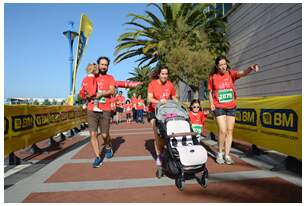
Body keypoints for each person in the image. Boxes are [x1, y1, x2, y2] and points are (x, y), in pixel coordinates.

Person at [208, 55, 259, 165]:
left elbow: (242, 73)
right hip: (219, 106)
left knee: (230, 131)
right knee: (222, 130)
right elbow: (210, 92)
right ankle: (220, 153)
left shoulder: (231, 74)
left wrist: (250, 68)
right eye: (221, 65)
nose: (223, 67)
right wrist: (211, 103)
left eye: (225, 64)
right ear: (217, 66)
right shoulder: (213, 77)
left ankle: (227, 155)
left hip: (231, 106)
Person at [147, 65, 177, 178]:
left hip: (166, 112)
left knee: (167, 136)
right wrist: (160, 101)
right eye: (163, 73)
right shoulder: (152, 84)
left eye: (166, 74)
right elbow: (149, 98)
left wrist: (179, 105)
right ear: (159, 74)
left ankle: (165, 153)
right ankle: (159, 163)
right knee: (158, 137)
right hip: (154, 112)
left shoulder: (170, 84)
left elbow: (174, 97)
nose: (165, 76)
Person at [88, 56, 116, 168]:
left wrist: (101, 93)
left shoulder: (110, 77)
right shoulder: (91, 77)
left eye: (106, 65)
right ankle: (98, 157)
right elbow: (85, 88)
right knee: (93, 134)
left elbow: (112, 90)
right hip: (91, 108)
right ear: (98, 65)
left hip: (105, 108)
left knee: (104, 134)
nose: (104, 66)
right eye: (102, 64)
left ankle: (108, 145)